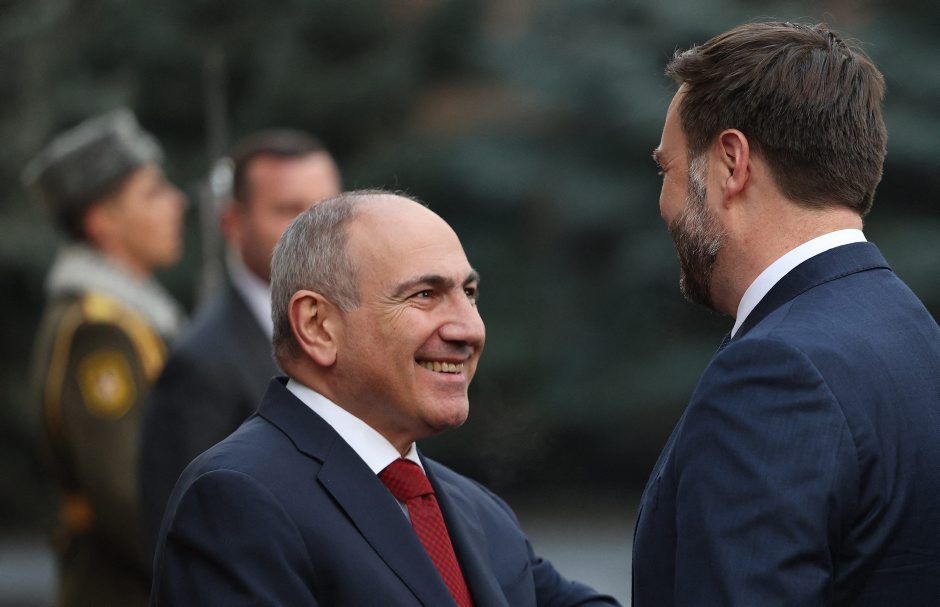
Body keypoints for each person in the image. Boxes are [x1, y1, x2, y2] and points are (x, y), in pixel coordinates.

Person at [151, 190, 619, 606]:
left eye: (469, 293)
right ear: (317, 326)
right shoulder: (238, 497)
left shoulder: (475, 509)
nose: (469, 329)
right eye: (425, 294)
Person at [634, 21, 940, 605]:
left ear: (731, 163)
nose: (664, 203)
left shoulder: (774, 371)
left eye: (666, 170)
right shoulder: (915, 336)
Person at [139, 129, 341, 560]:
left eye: (329, 209)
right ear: (232, 223)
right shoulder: (201, 364)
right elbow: (183, 536)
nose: (317, 230)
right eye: (289, 210)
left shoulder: (366, 330)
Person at [24, 108, 187, 607]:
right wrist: (197, 574)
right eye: (152, 192)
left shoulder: (133, 314)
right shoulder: (100, 330)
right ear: (102, 222)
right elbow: (123, 495)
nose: (177, 202)